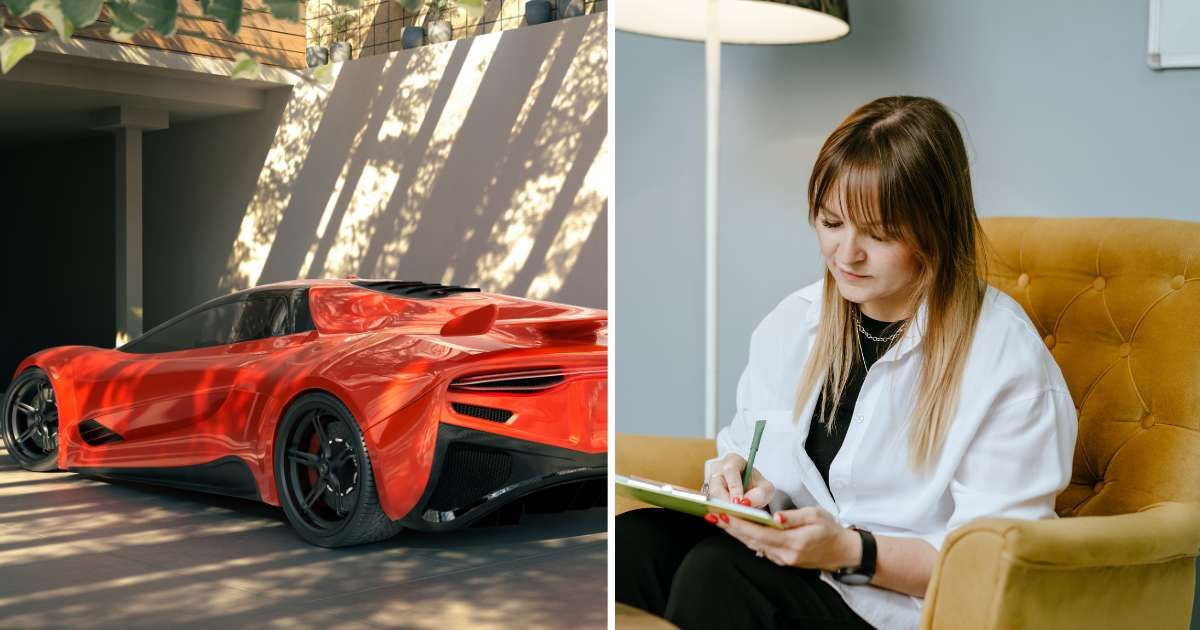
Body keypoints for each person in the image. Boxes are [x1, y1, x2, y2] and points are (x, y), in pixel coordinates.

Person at [615, 96, 1078, 630]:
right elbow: (751, 449)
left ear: (936, 229)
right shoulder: (792, 324)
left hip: (901, 608)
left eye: (878, 234)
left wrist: (850, 551)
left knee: (718, 574)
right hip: (803, 571)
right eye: (831, 222)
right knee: (634, 547)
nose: (846, 254)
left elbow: (994, 566)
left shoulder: (1004, 360)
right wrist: (738, 480)